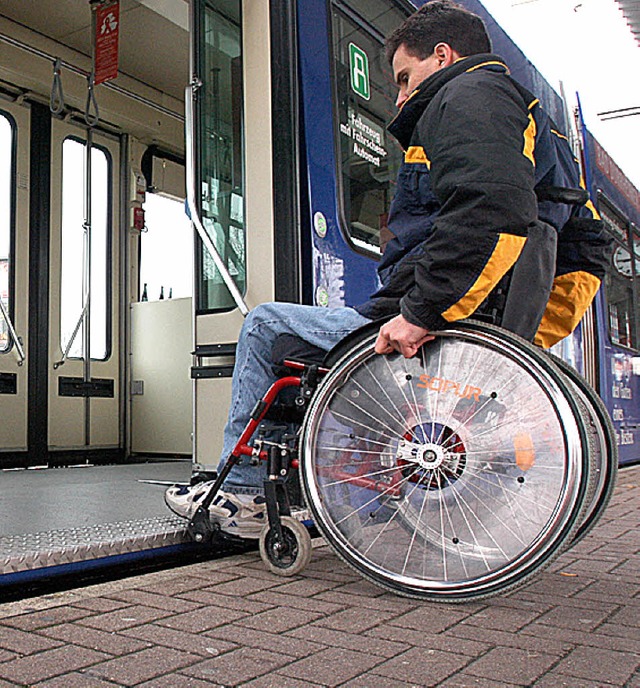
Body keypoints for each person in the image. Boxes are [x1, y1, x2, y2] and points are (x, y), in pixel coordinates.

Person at [165, 0, 609, 536]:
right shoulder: (540, 130)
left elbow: (488, 208)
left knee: (266, 326)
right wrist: (524, 338)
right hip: (467, 321)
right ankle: (312, 489)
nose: (400, 97)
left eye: (404, 78)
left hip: (428, 319)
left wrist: (423, 312)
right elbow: (588, 247)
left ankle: (243, 495)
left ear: (442, 56)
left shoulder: (469, 95)